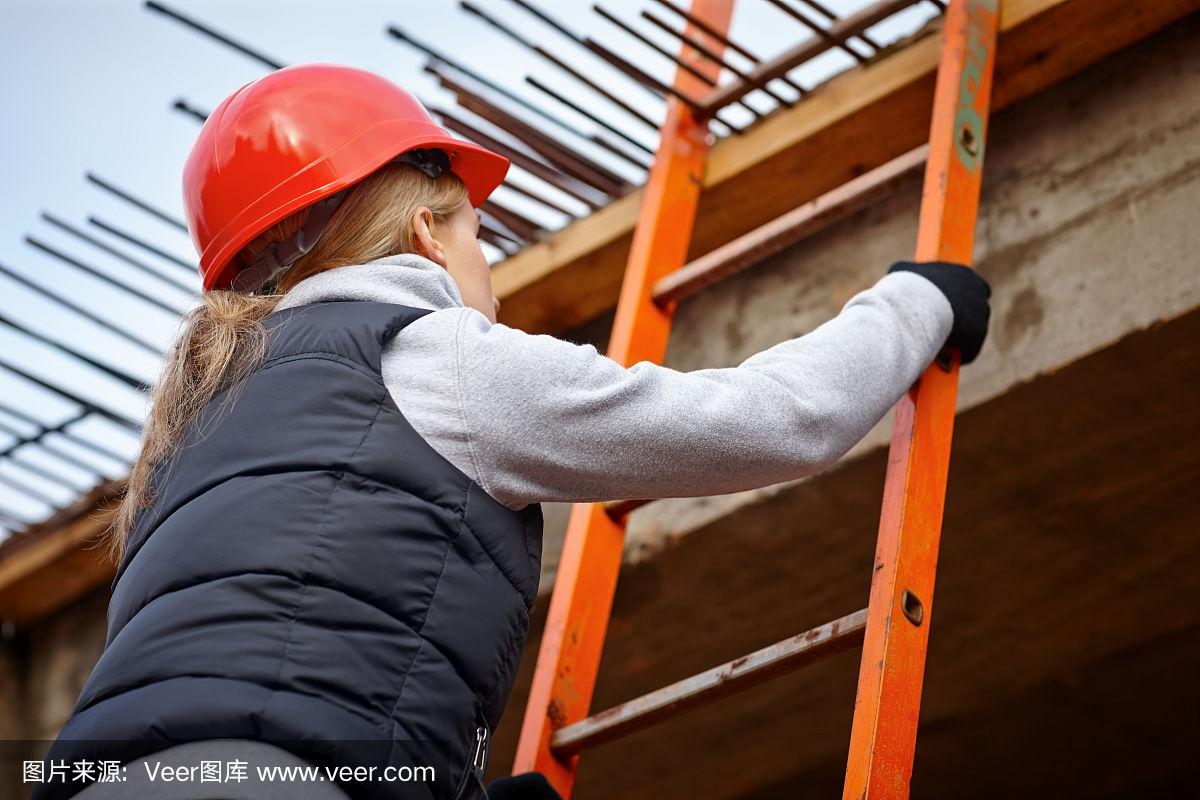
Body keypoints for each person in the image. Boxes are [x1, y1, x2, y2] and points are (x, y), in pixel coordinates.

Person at [38, 64, 990, 800]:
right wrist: (917, 302)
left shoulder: (190, 431)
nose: (487, 267)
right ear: (423, 234)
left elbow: (276, 660)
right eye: (477, 235)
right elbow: (784, 421)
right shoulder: (430, 355)